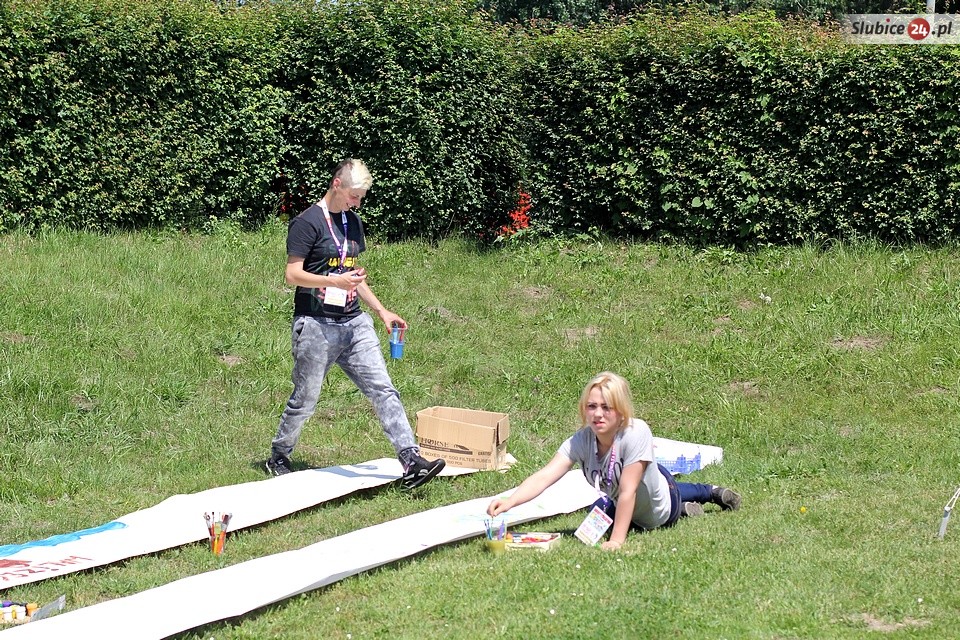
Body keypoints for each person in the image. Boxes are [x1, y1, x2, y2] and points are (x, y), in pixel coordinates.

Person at [266, 158, 445, 490]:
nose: (357, 203)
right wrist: (333, 282)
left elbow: (352, 274)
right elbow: (292, 274)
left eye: (361, 198)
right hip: (316, 324)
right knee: (306, 397)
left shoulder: (353, 222)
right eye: (354, 196)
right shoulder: (307, 223)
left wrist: (381, 311)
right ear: (337, 185)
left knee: (383, 389)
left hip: (354, 323)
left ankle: (411, 461)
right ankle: (279, 455)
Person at [487, 372, 740, 550]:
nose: (597, 414)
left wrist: (617, 540)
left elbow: (629, 491)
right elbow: (545, 476)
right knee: (590, 524)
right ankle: (688, 509)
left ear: (621, 411)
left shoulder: (635, 432)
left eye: (606, 407)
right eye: (591, 406)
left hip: (661, 507)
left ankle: (709, 492)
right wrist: (510, 501)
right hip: (622, 502)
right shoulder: (581, 440)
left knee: (669, 491)